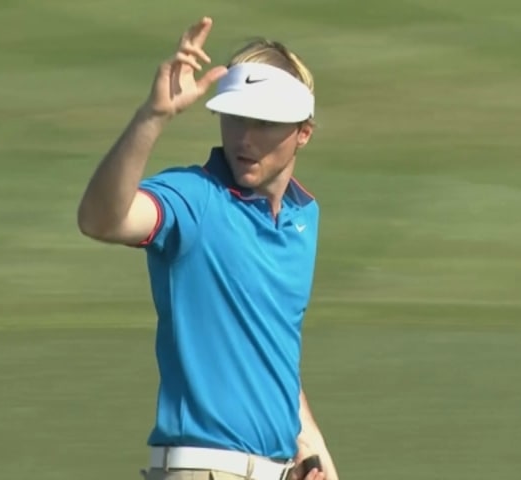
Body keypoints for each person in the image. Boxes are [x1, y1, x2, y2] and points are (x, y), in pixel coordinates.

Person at [76, 16, 339, 480]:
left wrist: (313, 452)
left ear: (303, 132)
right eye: (235, 117)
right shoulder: (194, 198)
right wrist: (152, 117)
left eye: (265, 122)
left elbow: (274, 349)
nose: (245, 138)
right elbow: (102, 219)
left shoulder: (304, 217)